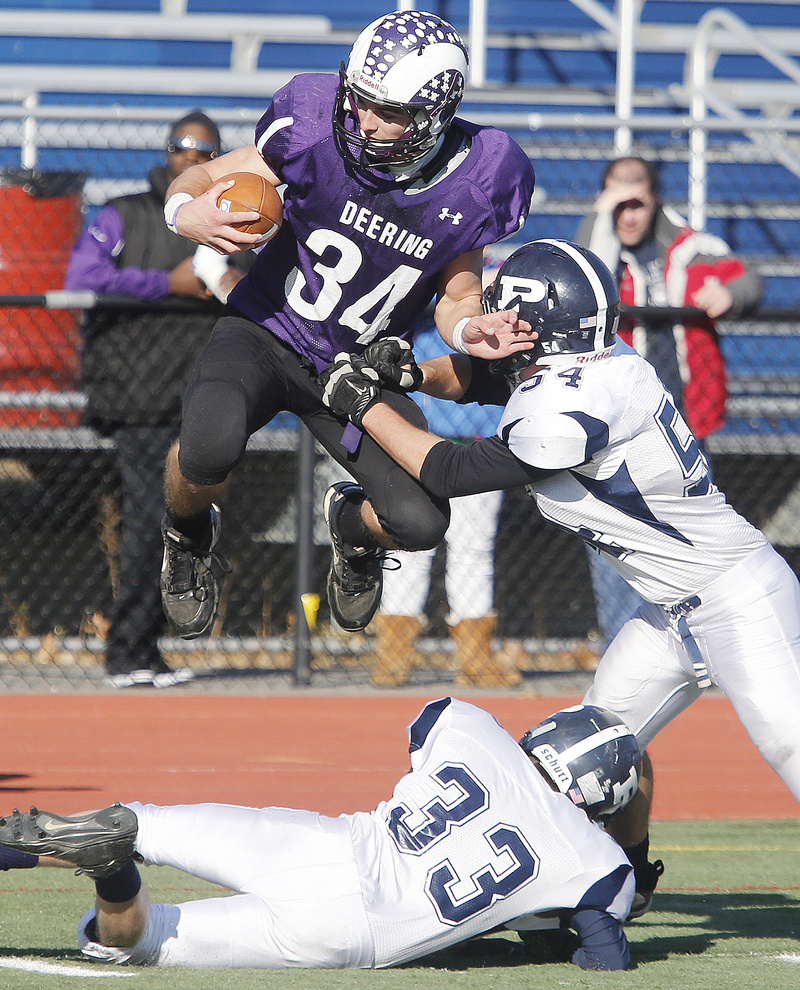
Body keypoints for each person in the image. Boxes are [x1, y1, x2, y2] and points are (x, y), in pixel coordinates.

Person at [318, 237, 800, 919]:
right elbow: (486, 379)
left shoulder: (570, 406)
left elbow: (449, 472)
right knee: (595, 753)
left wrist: (364, 406)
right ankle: (631, 878)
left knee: (792, 743)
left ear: (538, 320)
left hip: (738, 597)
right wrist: (408, 378)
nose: (496, 324)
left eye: (508, 312)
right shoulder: (594, 367)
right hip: (671, 616)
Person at [156, 10, 536, 644]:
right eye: (357, 100)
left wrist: (469, 330)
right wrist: (182, 209)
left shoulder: (482, 176)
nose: (362, 121)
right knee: (207, 446)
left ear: (433, 114)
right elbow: (206, 176)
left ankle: (355, 534)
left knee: (420, 522)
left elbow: (457, 291)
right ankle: (186, 536)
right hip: (265, 330)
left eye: (385, 111)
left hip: (353, 372)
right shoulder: (313, 123)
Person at [0, 699, 641, 971]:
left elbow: (424, 731)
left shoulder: (472, 726)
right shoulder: (595, 860)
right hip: (351, 935)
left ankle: (100, 850)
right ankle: (115, 880)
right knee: (141, 941)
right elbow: (605, 958)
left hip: (325, 845)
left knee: (142, 823)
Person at [64, 111, 250, 689]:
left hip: (197, 395)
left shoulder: (239, 216)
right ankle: (129, 652)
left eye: (205, 151)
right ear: (166, 151)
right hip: (136, 392)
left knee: (175, 521)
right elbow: (81, 277)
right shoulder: (126, 212)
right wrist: (163, 285)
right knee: (151, 521)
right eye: (182, 147)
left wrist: (225, 283)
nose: (192, 159)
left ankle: (142, 649)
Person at [574, 155, 763, 647]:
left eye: (637, 202)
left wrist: (731, 292)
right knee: (614, 539)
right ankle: (623, 642)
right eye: (619, 203)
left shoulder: (691, 248)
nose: (629, 216)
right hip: (615, 423)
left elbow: (746, 278)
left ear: (655, 199)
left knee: (697, 535)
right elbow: (585, 272)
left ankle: (706, 640)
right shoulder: (597, 251)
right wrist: (602, 217)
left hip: (685, 417)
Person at [374, 326, 516, 688]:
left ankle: (475, 659)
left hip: (481, 434)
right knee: (409, 542)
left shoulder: (504, 273)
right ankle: (392, 657)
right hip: (416, 429)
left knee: (473, 547)